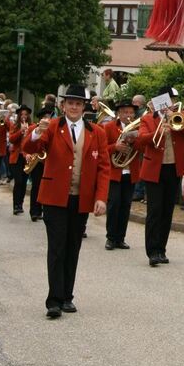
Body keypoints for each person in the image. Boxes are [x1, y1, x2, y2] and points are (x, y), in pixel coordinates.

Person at [25, 84, 110, 318]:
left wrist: (101, 197)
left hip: (80, 199)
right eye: (70, 103)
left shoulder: (97, 132)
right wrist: (36, 132)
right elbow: (29, 147)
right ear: (63, 106)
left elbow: (104, 168)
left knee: (73, 248)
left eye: (78, 103)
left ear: (84, 107)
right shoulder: (52, 126)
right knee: (57, 248)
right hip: (54, 198)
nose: (74, 107)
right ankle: (54, 300)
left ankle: (67, 297)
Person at [138, 86, 184, 266]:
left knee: (167, 211)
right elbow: (141, 139)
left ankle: (161, 250)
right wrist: (157, 133)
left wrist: (175, 117)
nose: (171, 103)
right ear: (159, 100)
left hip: (174, 169)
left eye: (173, 100)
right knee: (154, 211)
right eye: (168, 99)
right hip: (154, 170)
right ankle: (152, 251)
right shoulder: (148, 118)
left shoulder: (180, 115)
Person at [104, 99, 142, 250]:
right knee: (114, 204)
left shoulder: (139, 128)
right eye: (125, 112)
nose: (128, 115)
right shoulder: (109, 127)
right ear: (119, 113)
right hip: (114, 171)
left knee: (126, 205)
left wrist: (134, 141)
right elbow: (102, 149)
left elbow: (142, 149)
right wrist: (115, 147)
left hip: (130, 172)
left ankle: (120, 238)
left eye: (131, 112)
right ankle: (110, 238)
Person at [8, 104, 33, 215]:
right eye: (22, 114)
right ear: (19, 116)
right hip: (16, 157)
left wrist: (28, 132)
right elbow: (11, 139)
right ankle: (15, 205)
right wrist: (20, 131)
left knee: (23, 182)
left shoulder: (32, 126)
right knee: (18, 181)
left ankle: (20, 204)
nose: (24, 116)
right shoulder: (15, 126)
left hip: (27, 157)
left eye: (26, 114)